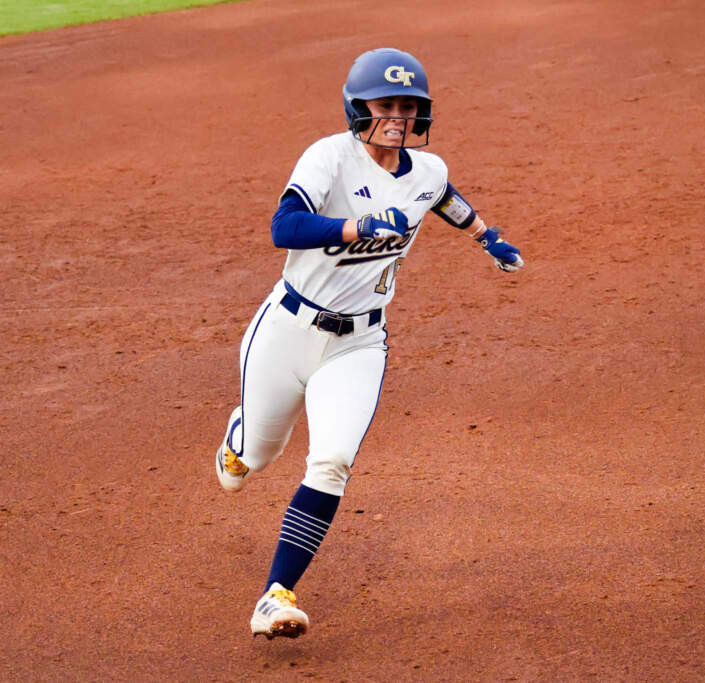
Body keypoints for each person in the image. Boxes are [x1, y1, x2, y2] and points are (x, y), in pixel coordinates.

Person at [214, 47, 525, 639]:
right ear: (358, 107)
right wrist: (355, 226)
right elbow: (284, 226)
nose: (398, 118)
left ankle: (275, 596)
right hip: (286, 330)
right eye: (386, 105)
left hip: (359, 344)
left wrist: (488, 237)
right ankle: (241, 438)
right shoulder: (329, 157)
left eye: (408, 107)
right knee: (254, 459)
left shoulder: (427, 170)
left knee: (332, 461)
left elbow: (444, 198)